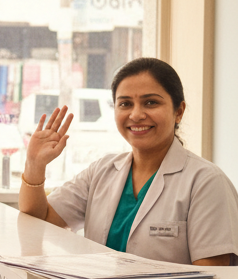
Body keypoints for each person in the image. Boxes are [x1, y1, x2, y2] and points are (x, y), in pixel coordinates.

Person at [19, 57, 238, 266]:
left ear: (178, 112)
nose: (136, 114)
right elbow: (41, 219)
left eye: (150, 103)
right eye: (125, 104)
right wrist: (34, 164)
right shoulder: (101, 171)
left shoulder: (207, 182)